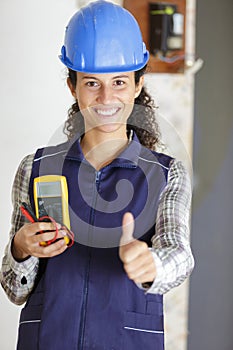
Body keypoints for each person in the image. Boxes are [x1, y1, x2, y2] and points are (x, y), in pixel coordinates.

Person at [0, 1, 194, 349]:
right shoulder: (35, 168)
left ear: (137, 85)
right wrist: (21, 248)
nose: (107, 97)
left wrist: (151, 264)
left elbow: (179, 256)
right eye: (92, 83)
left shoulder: (167, 175)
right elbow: (15, 289)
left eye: (119, 82)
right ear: (72, 87)